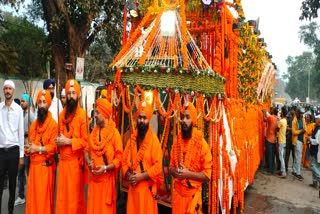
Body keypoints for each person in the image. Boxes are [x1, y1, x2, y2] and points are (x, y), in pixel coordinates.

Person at [170, 102, 212, 213]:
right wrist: (176, 172)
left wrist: (187, 174)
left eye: (187, 117)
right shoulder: (176, 141)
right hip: (178, 198)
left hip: (192, 198)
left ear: (193, 121)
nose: (184, 120)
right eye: (183, 117)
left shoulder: (202, 144)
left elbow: (207, 175)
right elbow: (171, 168)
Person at [122, 100, 163, 214]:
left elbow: (158, 167)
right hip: (133, 191)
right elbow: (123, 161)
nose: (141, 121)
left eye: (144, 118)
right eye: (140, 117)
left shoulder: (154, 141)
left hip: (147, 191)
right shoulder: (132, 140)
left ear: (149, 120)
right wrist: (129, 175)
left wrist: (141, 176)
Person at [84, 98, 123, 214]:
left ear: (105, 114)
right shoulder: (93, 133)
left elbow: (119, 159)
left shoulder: (115, 134)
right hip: (94, 183)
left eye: (97, 112)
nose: (95, 115)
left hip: (106, 183)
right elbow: (86, 151)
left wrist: (105, 168)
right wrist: (88, 161)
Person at [55, 79, 88, 214]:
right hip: (63, 164)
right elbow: (58, 139)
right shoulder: (61, 115)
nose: (71, 96)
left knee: (74, 201)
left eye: (74, 93)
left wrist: (68, 141)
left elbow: (85, 141)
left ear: (78, 94)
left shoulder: (82, 115)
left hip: (75, 164)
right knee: (62, 199)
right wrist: (58, 141)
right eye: (69, 93)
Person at [24, 90, 57, 214]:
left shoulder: (53, 125)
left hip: (45, 168)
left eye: (44, 102)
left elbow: (54, 147)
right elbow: (29, 145)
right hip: (33, 169)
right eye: (40, 102)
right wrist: (27, 148)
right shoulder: (33, 125)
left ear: (48, 105)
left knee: (43, 201)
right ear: (37, 104)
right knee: (33, 201)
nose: (42, 105)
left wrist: (38, 149)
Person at [0, 80, 24, 214]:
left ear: (13, 91)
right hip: (1, 152)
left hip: (14, 152)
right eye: (6, 88)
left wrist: (21, 156)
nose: (8, 91)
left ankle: (10, 211)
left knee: (12, 184)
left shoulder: (18, 109)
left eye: (10, 88)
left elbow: (21, 133)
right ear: (3, 90)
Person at [14, 93, 36, 206]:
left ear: (28, 103)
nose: (21, 102)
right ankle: (21, 196)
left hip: (27, 146)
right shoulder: (19, 113)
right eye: (21, 101)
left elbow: (36, 129)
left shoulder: (31, 115)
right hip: (20, 146)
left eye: (23, 101)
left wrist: (26, 133)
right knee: (20, 172)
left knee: (28, 172)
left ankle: (32, 196)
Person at [292, 107, 306, 180]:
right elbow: (294, 132)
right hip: (297, 141)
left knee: (297, 156)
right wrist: (301, 131)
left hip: (301, 140)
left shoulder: (303, 119)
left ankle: (294, 171)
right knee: (298, 157)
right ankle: (298, 173)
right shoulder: (294, 121)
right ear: (297, 113)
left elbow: (305, 128)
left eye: (302, 113)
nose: (301, 115)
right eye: (300, 113)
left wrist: (304, 130)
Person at [262, 107, 278, 174]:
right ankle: (272, 168)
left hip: (269, 138)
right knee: (272, 155)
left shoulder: (270, 117)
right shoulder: (276, 118)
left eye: (271, 110)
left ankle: (270, 170)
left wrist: (264, 112)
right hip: (274, 139)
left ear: (273, 111)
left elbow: (264, 119)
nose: (270, 110)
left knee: (270, 155)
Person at [308, 114, 320, 189]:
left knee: (313, 165)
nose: (315, 120)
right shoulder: (317, 128)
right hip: (314, 150)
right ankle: (315, 183)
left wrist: (310, 139)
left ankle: (318, 179)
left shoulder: (319, 129)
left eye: (316, 119)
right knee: (316, 167)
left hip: (316, 150)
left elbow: (317, 141)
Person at [285, 105, 296, 172]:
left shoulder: (297, 119)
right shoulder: (289, 117)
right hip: (289, 138)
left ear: (294, 111)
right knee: (287, 154)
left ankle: (294, 168)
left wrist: (290, 129)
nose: (290, 111)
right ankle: (286, 167)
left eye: (292, 110)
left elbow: (297, 129)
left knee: (294, 154)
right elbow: (287, 125)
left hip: (294, 139)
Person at [277, 106, 287, 178]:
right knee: (281, 156)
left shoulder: (281, 121)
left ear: (282, 113)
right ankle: (281, 171)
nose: (280, 114)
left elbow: (277, 129)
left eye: (280, 113)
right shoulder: (285, 120)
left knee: (281, 157)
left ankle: (283, 172)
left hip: (281, 140)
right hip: (283, 140)